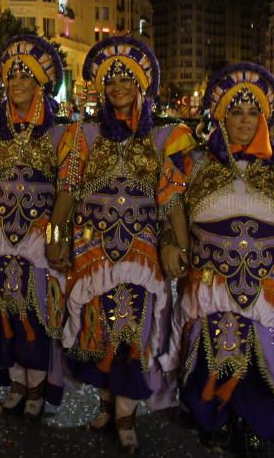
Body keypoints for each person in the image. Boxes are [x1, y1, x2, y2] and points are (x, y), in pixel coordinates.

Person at [46, 37, 196, 455]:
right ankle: (106, 404)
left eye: (126, 79)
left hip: (141, 251)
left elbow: (172, 199)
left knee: (134, 330)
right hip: (92, 250)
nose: (118, 87)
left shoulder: (165, 135)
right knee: (97, 330)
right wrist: (56, 236)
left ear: (142, 85)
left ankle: (126, 414)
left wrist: (177, 245)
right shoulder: (81, 134)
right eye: (110, 81)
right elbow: (67, 190)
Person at [165, 63, 274, 453]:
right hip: (210, 287)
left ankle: (263, 428)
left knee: (269, 364)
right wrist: (173, 243)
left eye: (254, 113)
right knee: (211, 361)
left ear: (266, 118)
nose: (245, 121)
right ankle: (215, 422)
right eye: (236, 112)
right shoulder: (194, 164)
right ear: (220, 114)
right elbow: (170, 206)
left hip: (272, 291)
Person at [0, 35, 67, 418]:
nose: (17, 83)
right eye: (12, 77)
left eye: (26, 76)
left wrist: (57, 239)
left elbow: (67, 192)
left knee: (36, 313)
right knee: (0, 312)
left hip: (38, 236)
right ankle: (15, 381)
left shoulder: (62, 131)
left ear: (40, 83)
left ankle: (37, 386)